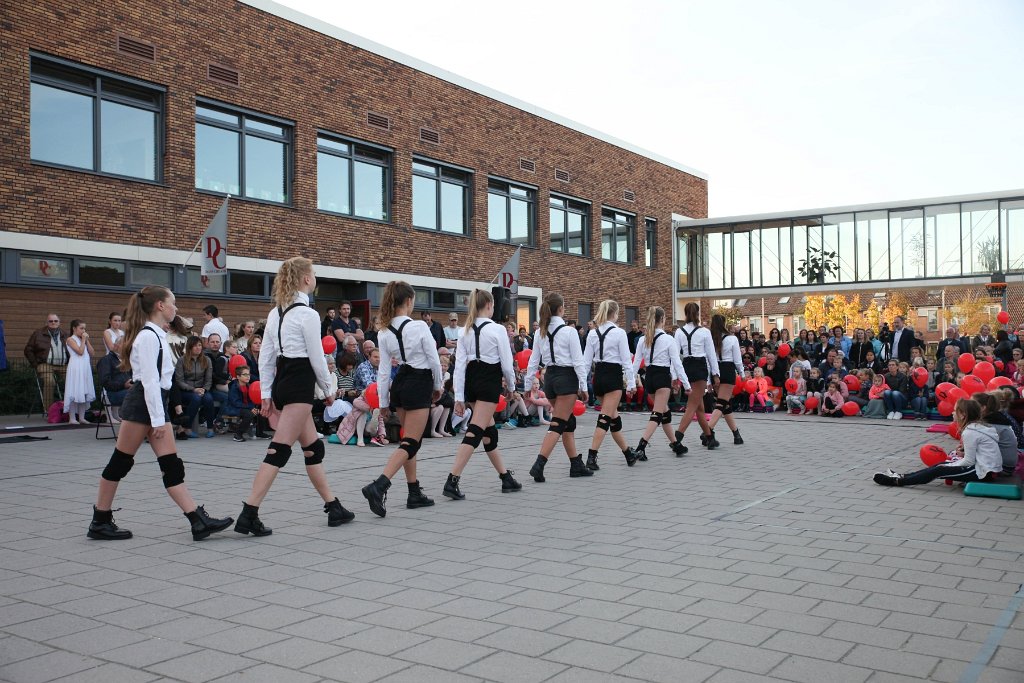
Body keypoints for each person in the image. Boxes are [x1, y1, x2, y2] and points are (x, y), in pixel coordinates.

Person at [87, 285, 233, 541]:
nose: (176, 308)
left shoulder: (156, 334)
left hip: (153, 403)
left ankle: (197, 520)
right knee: (120, 463)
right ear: (160, 306)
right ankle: (100, 520)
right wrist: (157, 421)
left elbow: (159, 383)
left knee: (172, 466)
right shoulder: (148, 337)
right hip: (144, 403)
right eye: (173, 303)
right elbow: (150, 382)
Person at [235, 257, 355, 536]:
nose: (315, 277)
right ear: (305, 279)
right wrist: (328, 391)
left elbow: (266, 357)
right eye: (313, 273)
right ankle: (248, 513)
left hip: (283, 378)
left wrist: (266, 392)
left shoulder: (277, 312)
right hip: (300, 381)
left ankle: (333, 506)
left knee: (314, 448)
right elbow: (317, 357)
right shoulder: (308, 314)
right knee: (278, 450)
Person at [360, 281, 441, 517]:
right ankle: (380, 484)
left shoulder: (384, 331)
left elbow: (384, 370)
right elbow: (434, 360)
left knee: (409, 440)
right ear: (408, 301)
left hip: (400, 382)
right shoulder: (419, 327)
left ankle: (413, 491)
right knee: (412, 442)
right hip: (419, 381)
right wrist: (437, 386)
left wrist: (384, 402)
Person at [443, 289, 523, 500]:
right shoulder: (497, 329)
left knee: (489, 433)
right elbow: (507, 364)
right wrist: (512, 387)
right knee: (476, 430)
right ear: (488, 304)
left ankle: (505, 477)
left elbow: (459, 367)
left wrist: (460, 396)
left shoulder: (465, 330)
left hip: (471, 379)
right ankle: (452, 479)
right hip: (489, 379)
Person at [523, 292, 594, 481]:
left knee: (567, 422)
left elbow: (533, 361)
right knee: (558, 423)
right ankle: (539, 464)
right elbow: (578, 362)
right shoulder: (569, 331)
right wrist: (584, 386)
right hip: (566, 378)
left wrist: (529, 383)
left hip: (550, 378)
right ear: (561, 309)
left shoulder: (540, 332)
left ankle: (575, 464)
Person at [874, 399, 1002, 487]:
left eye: (955, 410)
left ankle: (898, 481)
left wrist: (947, 466)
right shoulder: (975, 428)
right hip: (985, 468)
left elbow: (969, 461)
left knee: (939, 469)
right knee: (941, 464)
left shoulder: (970, 432)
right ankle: (902, 476)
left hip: (984, 473)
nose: (952, 413)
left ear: (963, 415)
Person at [581, 299, 639, 470]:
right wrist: (630, 383)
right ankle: (591, 456)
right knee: (605, 418)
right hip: (613, 376)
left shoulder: (592, 333)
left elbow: (586, 362)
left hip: (598, 376)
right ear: (615, 314)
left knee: (613, 418)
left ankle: (628, 453)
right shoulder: (619, 333)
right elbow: (626, 361)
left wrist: (582, 384)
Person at [630, 306, 688, 460]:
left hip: (649, 377)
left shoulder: (643, 339)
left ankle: (676, 445)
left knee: (664, 412)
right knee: (657, 413)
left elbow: (635, 364)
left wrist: (630, 383)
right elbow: (677, 363)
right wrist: (686, 385)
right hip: (662, 376)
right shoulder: (668, 339)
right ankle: (641, 446)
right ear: (662, 320)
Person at [674, 302, 719, 450]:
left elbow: (675, 356)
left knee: (699, 406)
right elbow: (711, 355)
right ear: (698, 314)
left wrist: (675, 375)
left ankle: (709, 438)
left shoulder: (679, 332)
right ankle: (677, 438)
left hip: (687, 366)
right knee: (692, 405)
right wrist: (715, 374)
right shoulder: (704, 332)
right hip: (699, 367)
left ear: (685, 314)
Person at [705, 314, 744, 443]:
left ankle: (736, 434)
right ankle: (707, 430)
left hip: (715, 370)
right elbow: (738, 360)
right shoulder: (732, 339)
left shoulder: (710, 339)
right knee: (721, 403)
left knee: (725, 404)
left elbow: (708, 361)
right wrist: (742, 374)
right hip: (727, 369)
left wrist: (709, 380)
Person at [24, 312, 68, 411]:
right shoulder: (38, 333)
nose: (53, 323)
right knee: (49, 381)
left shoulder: (65, 334)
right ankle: (49, 410)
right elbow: (28, 350)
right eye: (51, 321)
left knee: (72, 381)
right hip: (45, 364)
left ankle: (70, 408)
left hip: (63, 365)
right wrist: (35, 364)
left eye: (55, 321)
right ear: (47, 322)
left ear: (59, 322)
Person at [174, 336, 215, 438]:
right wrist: (193, 389)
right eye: (195, 345)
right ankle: (187, 427)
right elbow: (179, 381)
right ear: (190, 347)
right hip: (186, 390)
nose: (198, 348)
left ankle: (210, 428)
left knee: (209, 399)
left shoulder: (207, 360)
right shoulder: (182, 360)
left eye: (200, 345)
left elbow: (208, 379)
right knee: (196, 398)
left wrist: (204, 389)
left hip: (202, 389)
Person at [974, 392, 1018, 474]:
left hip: (1002, 467)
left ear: (983, 408)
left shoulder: (990, 424)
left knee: (955, 463)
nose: (969, 406)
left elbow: (978, 450)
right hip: (1007, 464)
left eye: (972, 404)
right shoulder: (997, 418)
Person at [64, 319, 97, 424]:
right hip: (76, 368)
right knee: (75, 390)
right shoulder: (70, 339)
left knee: (84, 391)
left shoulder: (84, 340)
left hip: (84, 368)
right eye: (81, 328)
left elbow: (92, 353)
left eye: (84, 328)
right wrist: (83, 340)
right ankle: (72, 418)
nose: (84, 330)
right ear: (74, 328)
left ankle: (82, 417)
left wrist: (87, 341)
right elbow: (80, 352)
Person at [98, 340, 132, 423]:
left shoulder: (125, 360)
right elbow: (105, 382)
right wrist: (123, 385)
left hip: (127, 391)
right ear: (116, 346)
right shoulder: (106, 360)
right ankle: (133, 426)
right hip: (113, 394)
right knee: (139, 397)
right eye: (125, 345)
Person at [224, 366, 260, 442]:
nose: (248, 376)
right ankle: (238, 434)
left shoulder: (249, 386)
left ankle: (260, 432)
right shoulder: (234, 387)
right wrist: (250, 407)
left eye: (248, 374)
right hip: (234, 408)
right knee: (249, 414)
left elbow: (252, 400)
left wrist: (254, 407)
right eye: (245, 374)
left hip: (245, 407)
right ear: (238, 376)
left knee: (260, 411)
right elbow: (235, 403)